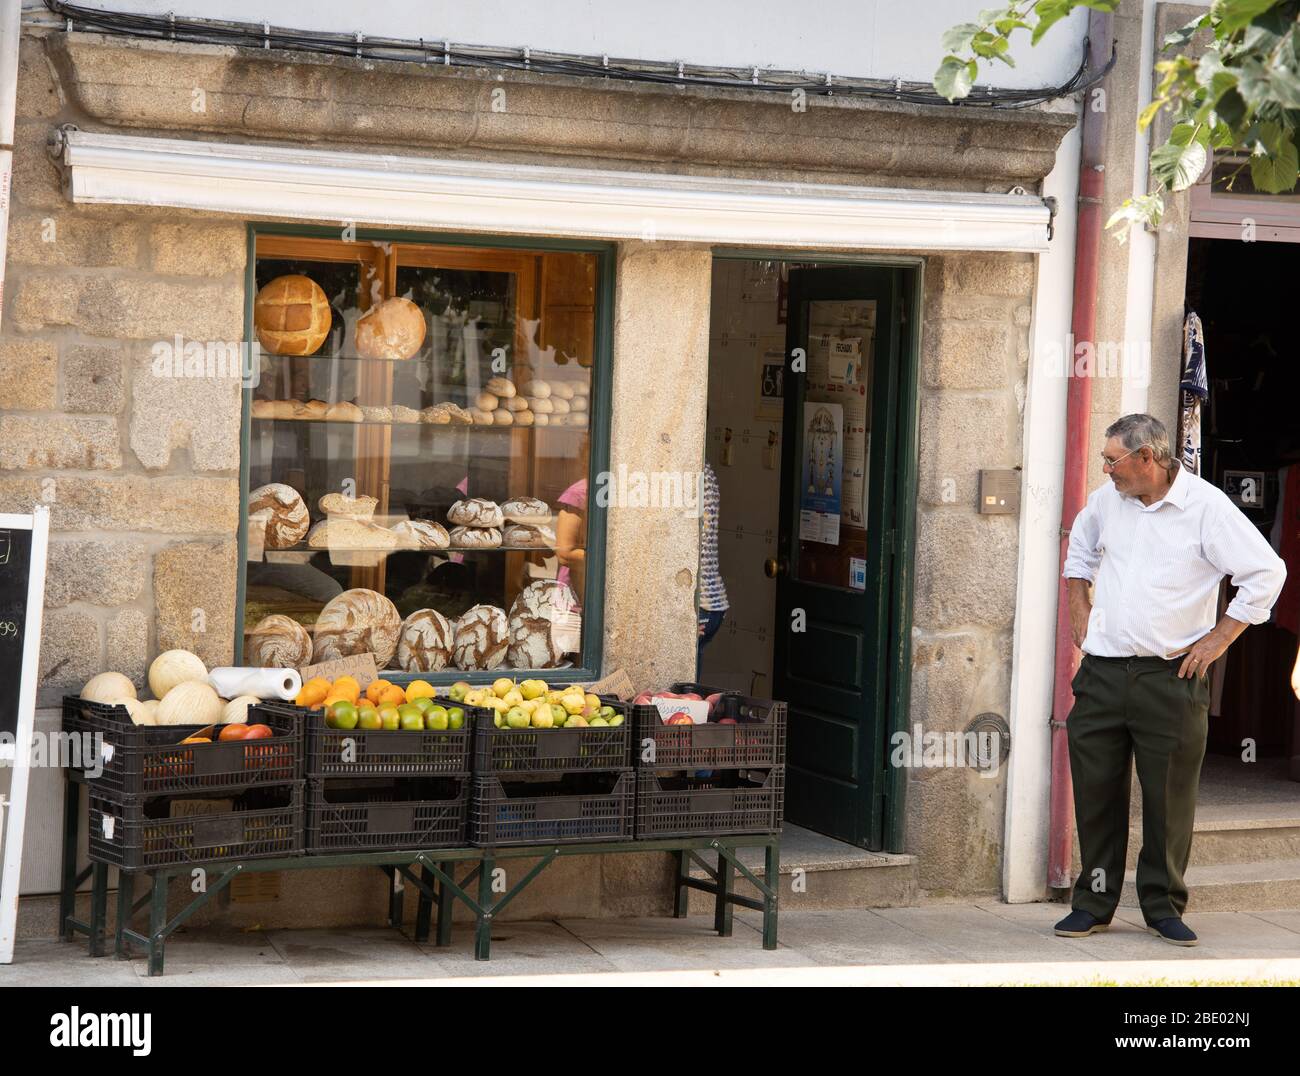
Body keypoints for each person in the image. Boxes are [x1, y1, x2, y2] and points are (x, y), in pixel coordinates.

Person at [1055, 413, 1286, 946]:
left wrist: (1218, 641)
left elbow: (1266, 573)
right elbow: (1081, 548)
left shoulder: (1206, 508)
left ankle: (1162, 907)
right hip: (1104, 673)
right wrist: (1077, 601)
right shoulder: (1107, 501)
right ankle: (1093, 905)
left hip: (1171, 677)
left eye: (1113, 460)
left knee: (1167, 801)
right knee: (1095, 795)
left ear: (1149, 459)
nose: (1106, 468)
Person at [697, 460, 730, 664]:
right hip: (712, 602)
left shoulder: (691, 474)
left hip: (700, 604)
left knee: (685, 692)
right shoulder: (706, 470)